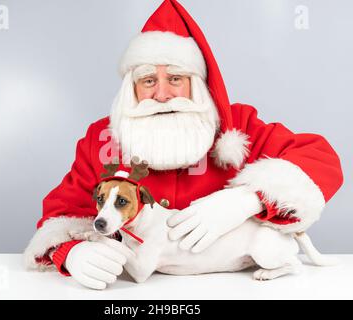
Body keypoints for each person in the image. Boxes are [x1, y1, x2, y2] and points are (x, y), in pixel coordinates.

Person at [24, 0, 343, 290]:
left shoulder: (237, 126)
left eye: (175, 78)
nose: (162, 94)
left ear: (196, 84)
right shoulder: (101, 138)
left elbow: (321, 160)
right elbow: (60, 213)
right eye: (149, 80)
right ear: (132, 89)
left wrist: (248, 199)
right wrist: (71, 253)